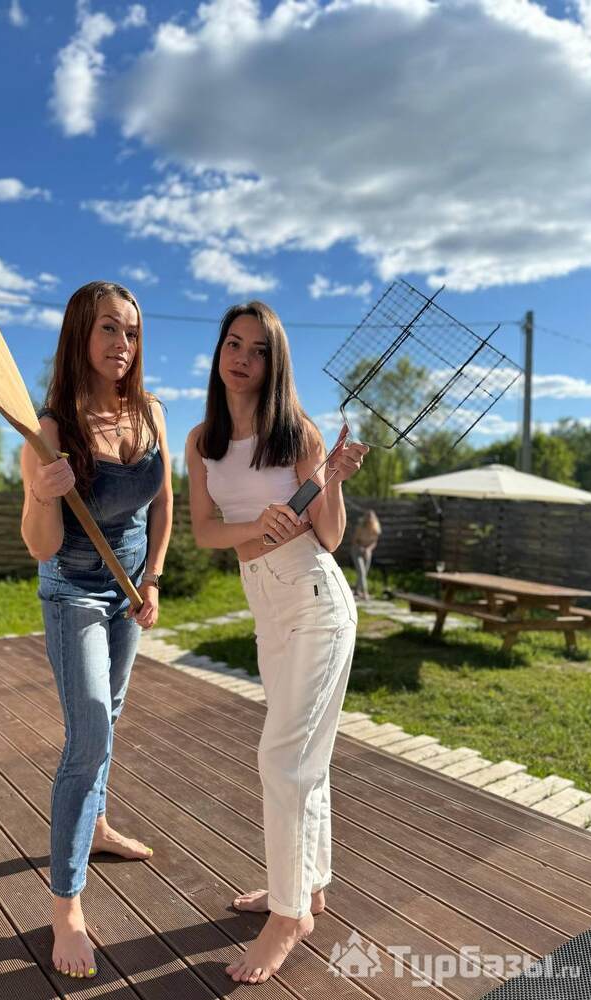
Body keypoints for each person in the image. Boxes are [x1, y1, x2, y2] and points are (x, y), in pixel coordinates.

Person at [185, 301, 368, 984]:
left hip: (317, 600)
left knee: (283, 757)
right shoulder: (201, 440)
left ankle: (288, 918)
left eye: (259, 349)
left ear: (274, 362)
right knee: (303, 757)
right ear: (220, 351)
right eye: (234, 343)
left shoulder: (298, 434)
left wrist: (333, 481)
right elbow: (206, 531)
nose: (243, 358)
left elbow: (330, 536)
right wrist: (256, 526)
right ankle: (307, 887)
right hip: (265, 603)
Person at [20, 281, 173, 980]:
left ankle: (99, 825)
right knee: (88, 737)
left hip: (130, 592)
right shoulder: (50, 430)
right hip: (74, 590)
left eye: (132, 332)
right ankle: (67, 906)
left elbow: (163, 505)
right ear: (80, 333)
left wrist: (154, 579)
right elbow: (41, 544)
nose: (123, 344)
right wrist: (40, 492)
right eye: (110, 328)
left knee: (108, 715)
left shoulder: (151, 412)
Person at [350, 509, 382, 600]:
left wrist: (368, 549)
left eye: (370, 517)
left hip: (367, 552)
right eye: (367, 517)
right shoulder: (360, 527)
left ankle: (357, 590)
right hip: (357, 551)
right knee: (362, 572)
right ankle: (365, 593)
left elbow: (374, 542)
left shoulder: (376, 528)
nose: (369, 519)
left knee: (364, 573)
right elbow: (354, 541)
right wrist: (361, 548)